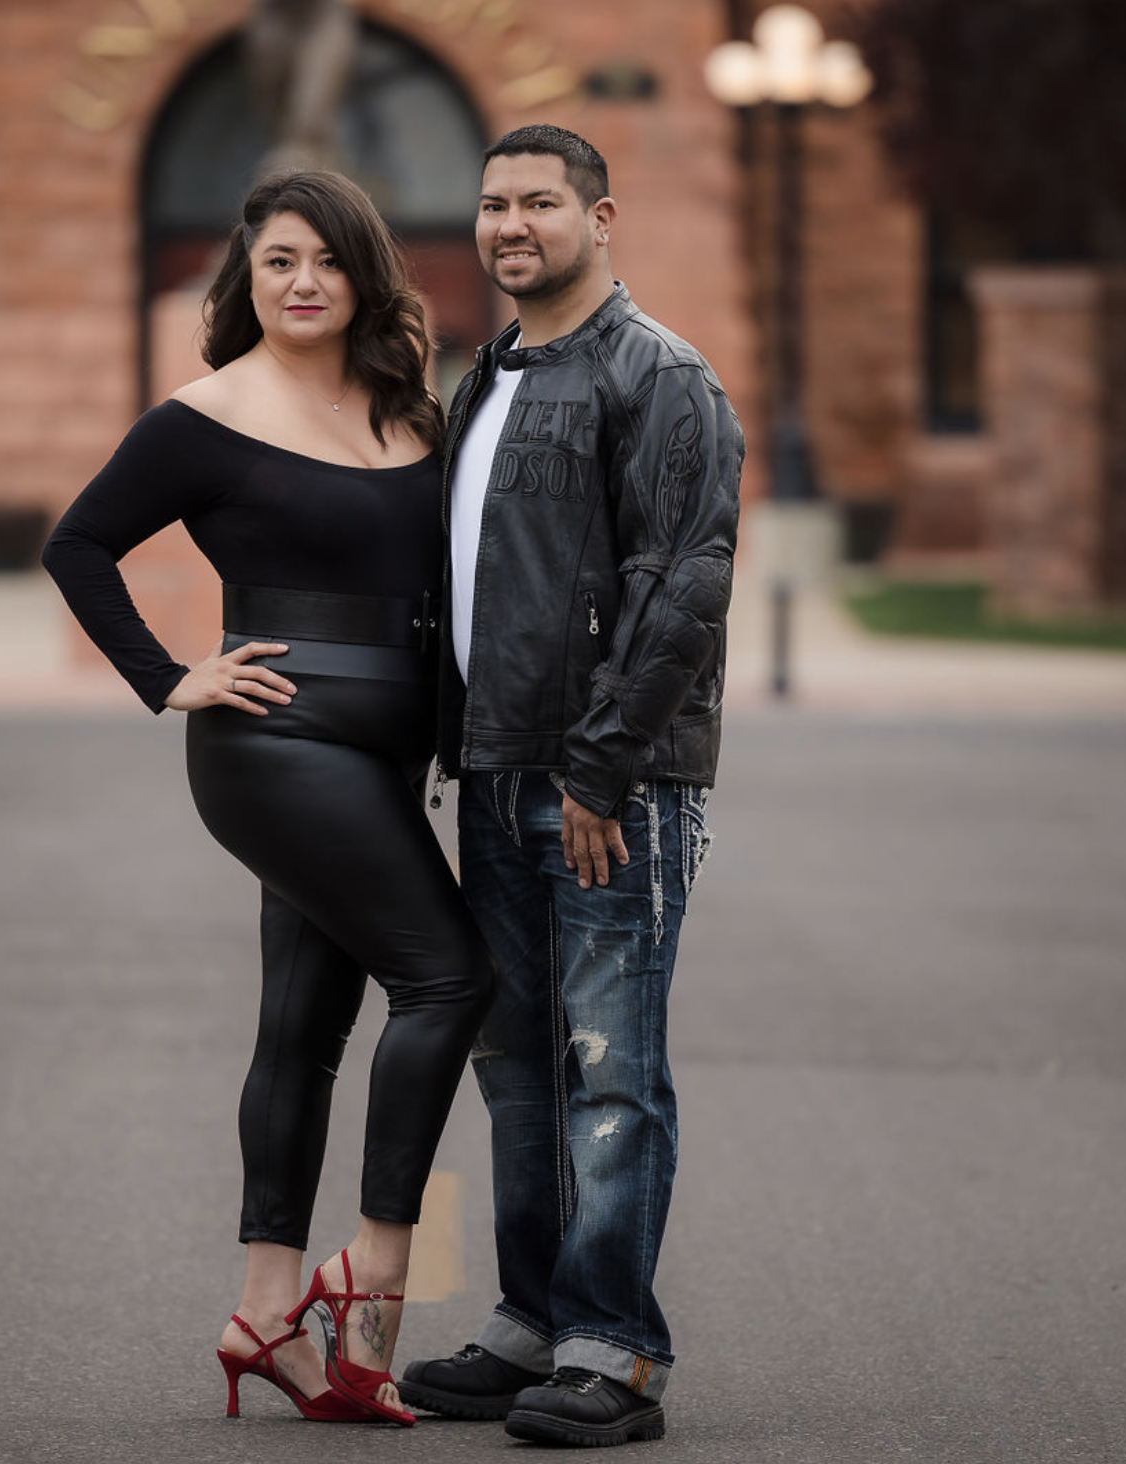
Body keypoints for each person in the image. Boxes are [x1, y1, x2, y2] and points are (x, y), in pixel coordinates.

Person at [41, 168, 494, 1428]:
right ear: (246, 276)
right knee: (450, 978)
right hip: (276, 747)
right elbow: (77, 544)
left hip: (390, 747)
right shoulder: (203, 416)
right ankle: (378, 1264)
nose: (302, 283)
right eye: (279, 261)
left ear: (365, 277)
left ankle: (260, 1312)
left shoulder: (410, 407)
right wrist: (168, 677)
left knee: (304, 1027)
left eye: (327, 262)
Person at [399, 125, 743, 1448]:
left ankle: (616, 1348)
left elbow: (684, 589)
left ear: (602, 217)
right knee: (519, 1068)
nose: (509, 226)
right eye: (491, 205)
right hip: (496, 774)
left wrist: (600, 769)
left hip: (610, 787)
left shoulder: (660, 377)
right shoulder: (486, 374)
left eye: (539, 202)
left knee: (611, 1064)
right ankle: (534, 1321)